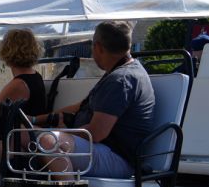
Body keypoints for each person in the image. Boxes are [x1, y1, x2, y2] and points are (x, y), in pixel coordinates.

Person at [31, 21, 155, 178]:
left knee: (48, 141)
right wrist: (35, 120)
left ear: (98, 47)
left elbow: (96, 134)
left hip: (117, 158)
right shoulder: (120, 72)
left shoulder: (121, 80)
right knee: (28, 137)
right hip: (102, 150)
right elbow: (80, 106)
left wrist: (58, 132)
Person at [0, 29, 48, 165]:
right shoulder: (35, 77)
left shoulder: (19, 84)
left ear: (7, 51)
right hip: (20, 144)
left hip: (14, 149)